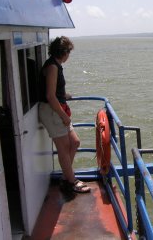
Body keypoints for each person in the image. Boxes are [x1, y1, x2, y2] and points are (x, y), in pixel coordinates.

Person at [38, 36, 90, 195]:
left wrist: (64, 95)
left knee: (74, 143)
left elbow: (55, 92)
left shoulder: (55, 65)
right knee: (64, 147)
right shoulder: (53, 67)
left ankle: (67, 176)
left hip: (57, 108)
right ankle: (71, 181)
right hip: (52, 111)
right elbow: (50, 96)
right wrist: (64, 116)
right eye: (68, 51)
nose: (69, 55)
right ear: (64, 52)